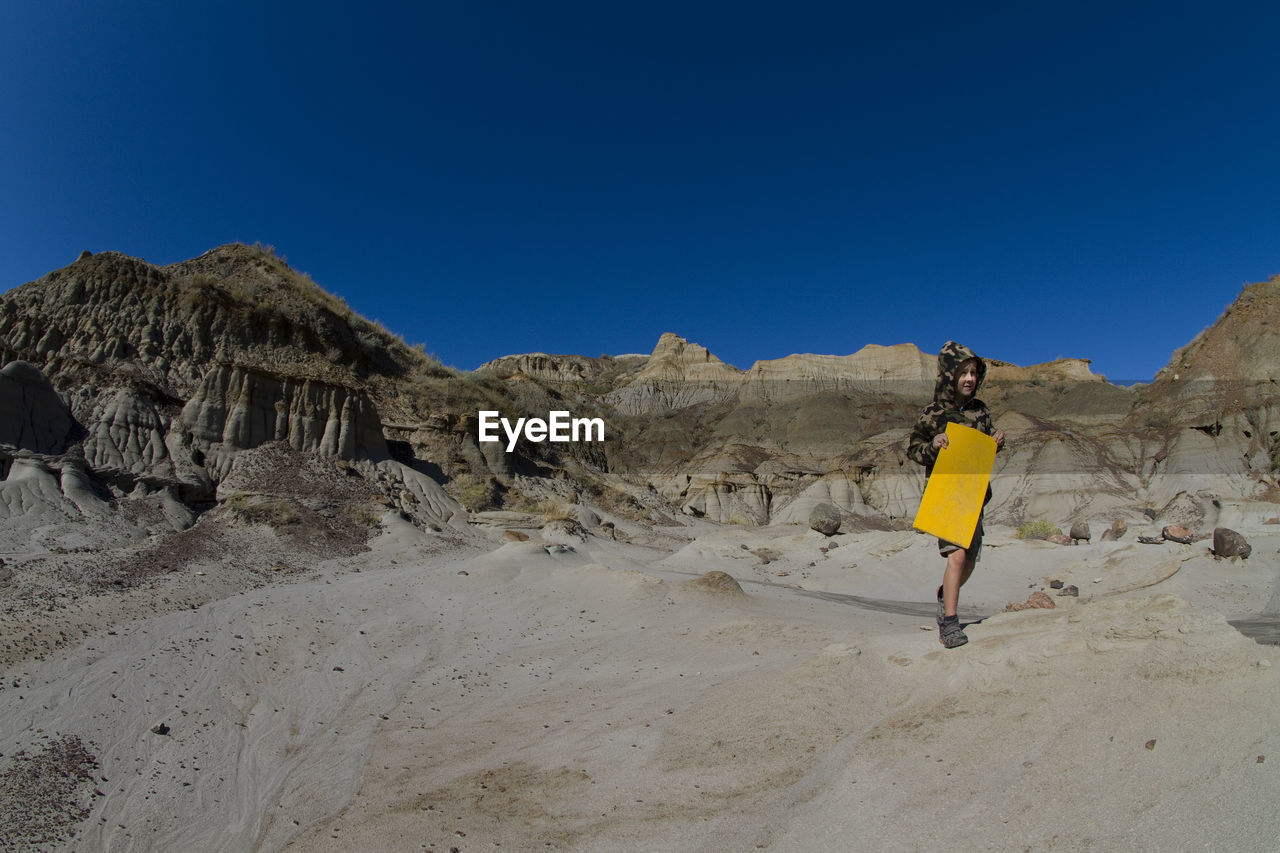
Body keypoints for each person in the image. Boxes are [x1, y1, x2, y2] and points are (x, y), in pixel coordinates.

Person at [907, 341, 1005, 648]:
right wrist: (933, 445)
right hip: (947, 494)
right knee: (957, 556)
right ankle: (949, 623)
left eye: (974, 373)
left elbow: (983, 450)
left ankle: (943, 593)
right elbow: (912, 450)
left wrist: (996, 441)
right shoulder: (932, 413)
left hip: (974, 495)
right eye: (963, 372)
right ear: (949, 375)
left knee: (970, 562)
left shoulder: (981, 411)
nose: (969, 379)